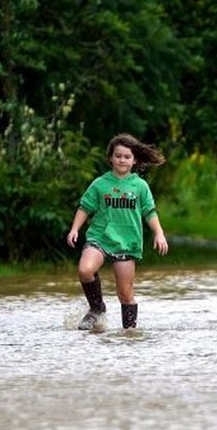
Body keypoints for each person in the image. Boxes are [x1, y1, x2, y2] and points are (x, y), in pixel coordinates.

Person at [66, 133, 169, 330]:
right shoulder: (100, 184)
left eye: (127, 157)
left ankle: (129, 332)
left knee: (125, 293)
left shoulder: (140, 186)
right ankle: (96, 309)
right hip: (100, 237)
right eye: (118, 156)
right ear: (111, 158)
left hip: (126, 242)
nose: (122, 160)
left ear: (134, 160)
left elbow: (149, 211)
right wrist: (74, 229)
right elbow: (85, 207)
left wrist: (159, 233)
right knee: (85, 269)